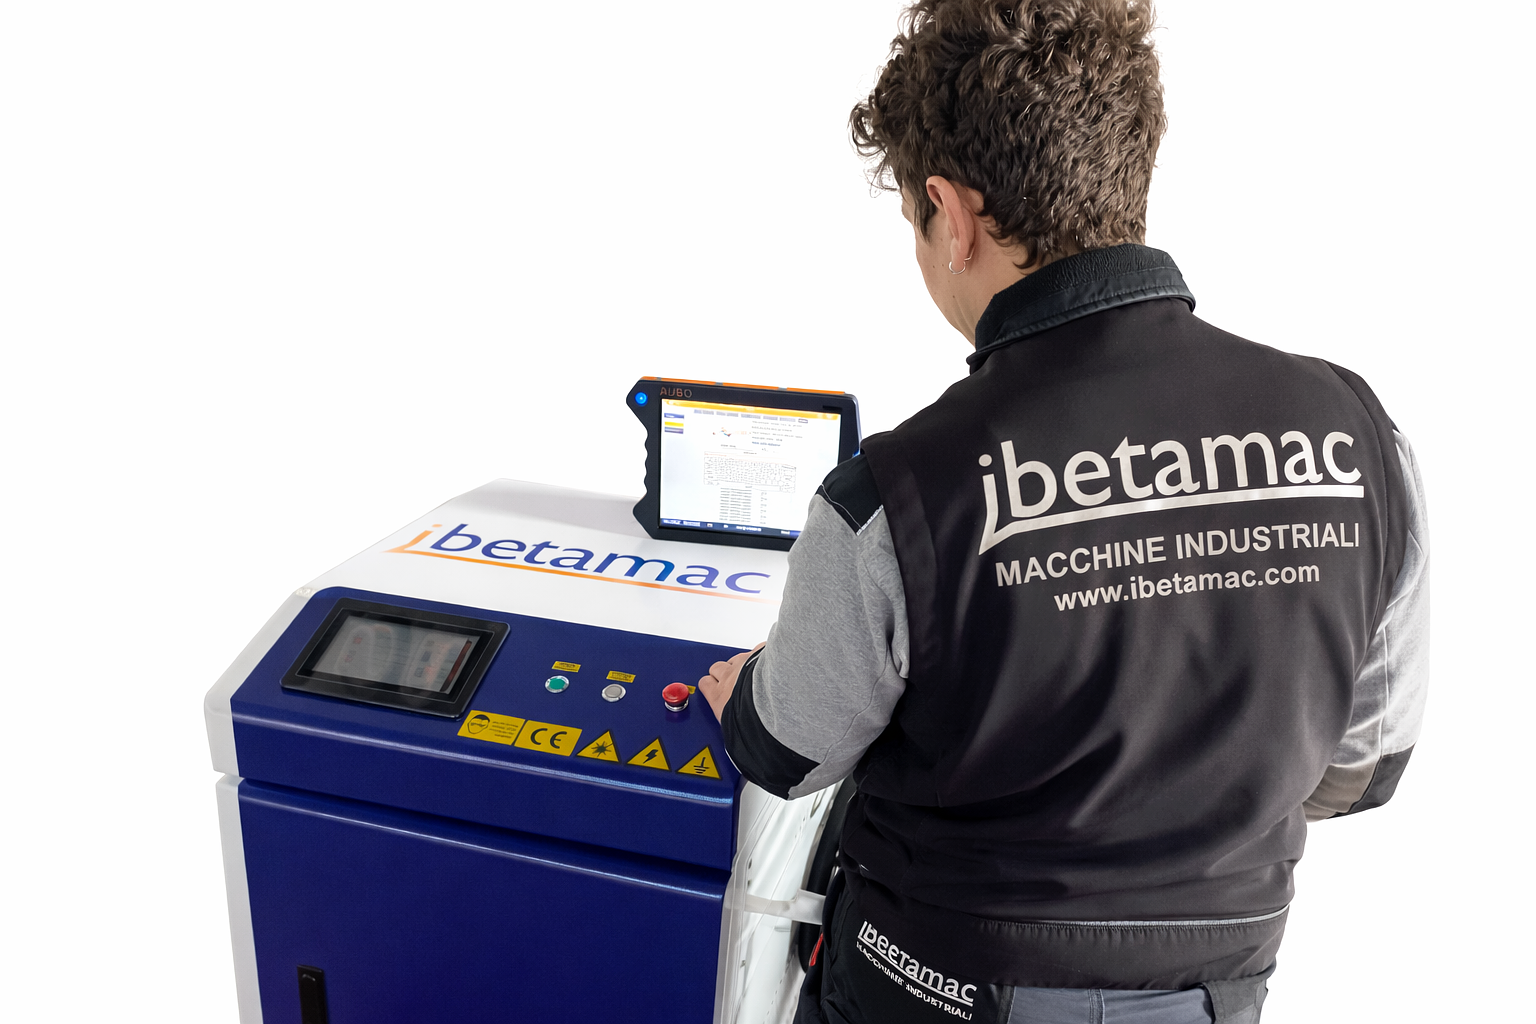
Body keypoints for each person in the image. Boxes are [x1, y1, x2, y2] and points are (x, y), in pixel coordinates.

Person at [697, 2, 1430, 1022]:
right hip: (1212, 995)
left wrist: (747, 691)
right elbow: (1363, 769)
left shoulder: (896, 494)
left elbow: (788, 752)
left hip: (932, 990)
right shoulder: (1358, 435)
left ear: (951, 214)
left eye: (915, 222)